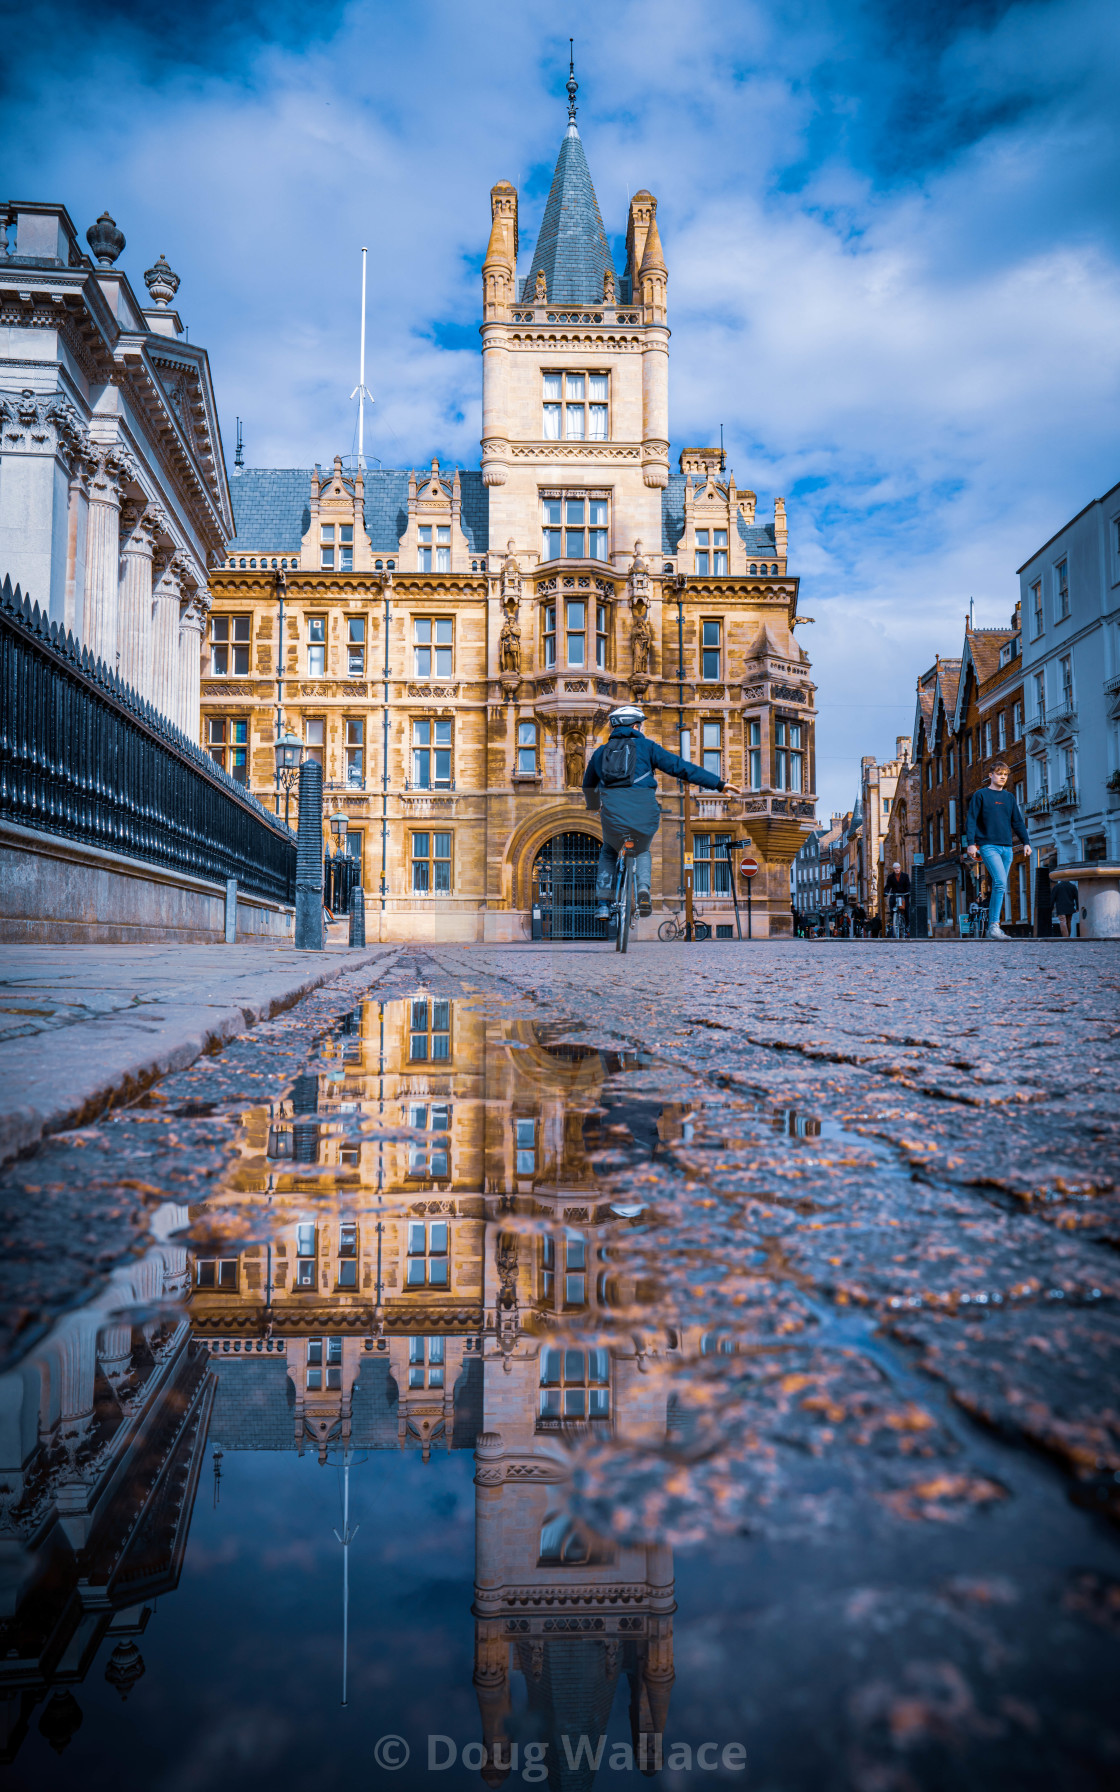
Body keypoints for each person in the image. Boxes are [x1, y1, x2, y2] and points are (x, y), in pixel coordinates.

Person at [583, 705, 738, 918]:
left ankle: (602, 904)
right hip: (644, 812)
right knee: (642, 849)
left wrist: (594, 806)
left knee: (609, 851)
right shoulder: (647, 747)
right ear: (636, 726)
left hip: (613, 813)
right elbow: (680, 766)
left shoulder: (600, 752)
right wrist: (718, 784)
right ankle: (643, 889)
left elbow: (588, 784)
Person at [965, 760, 1030, 941]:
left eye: (1005, 774)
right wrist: (971, 843)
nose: (1002, 777)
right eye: (999, 773)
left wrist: (1026, 842)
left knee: (1000, 886)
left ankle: (992, 927)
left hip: (1007, 848)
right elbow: (971, 820)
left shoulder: (1009, 798)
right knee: (1000, 883)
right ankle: (994, 926)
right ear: (990, 776)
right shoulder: (981, 795)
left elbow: (1017, 821)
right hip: (988, 846)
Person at [884, 861, 910, 936]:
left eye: (898, 868)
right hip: (895, 893)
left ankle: (907, 925)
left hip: (903, 894)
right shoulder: (890, 877)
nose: (897, 869)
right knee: (891, 904)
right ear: (893, 869)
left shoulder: (905, 876)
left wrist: (908, 891)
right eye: (895, 868)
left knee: (906, 909)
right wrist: (885, 892)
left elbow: (908, 885)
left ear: (900, 868)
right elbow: (888, 886)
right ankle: (894, 919)